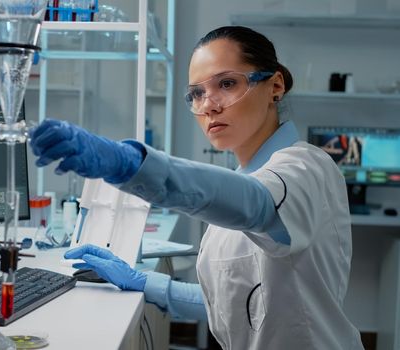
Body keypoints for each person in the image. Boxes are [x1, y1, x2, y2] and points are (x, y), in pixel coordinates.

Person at [29, 26, 363, 350]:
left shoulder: (306, 167)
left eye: (227, 83)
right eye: (197, 93)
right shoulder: (246, 178)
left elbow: (258, 205)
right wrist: (144, 282)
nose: (209, 105)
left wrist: (132, 165)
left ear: (275, 85)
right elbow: (230, 304)